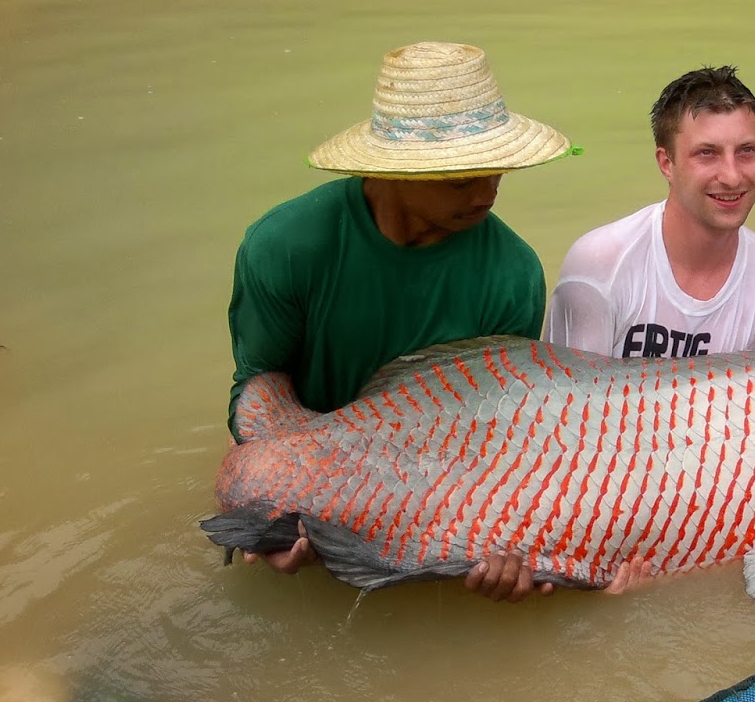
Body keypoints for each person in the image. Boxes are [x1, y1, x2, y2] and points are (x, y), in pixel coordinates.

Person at [227, 40, 576, 601]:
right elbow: (261, 381)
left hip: (425, 484)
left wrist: (508, 542)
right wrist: (272, 499)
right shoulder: (286, 245)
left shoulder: (514, 273)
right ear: (397, 171)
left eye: (498, 172)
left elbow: (492, 440)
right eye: (463, 178)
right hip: (310, 454)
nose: (487, 193)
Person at [545, 65, 755, 358]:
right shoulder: (599, 264)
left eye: (746, 151)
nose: (732, 176)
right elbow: (573, 397)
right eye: (707, 153)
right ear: (666, 163)